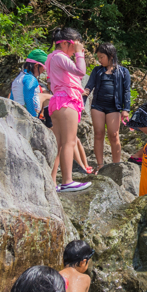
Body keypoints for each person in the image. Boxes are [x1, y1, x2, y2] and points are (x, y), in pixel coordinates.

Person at [47, 28, 90, 193]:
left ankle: (52, 182)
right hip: (67, 101)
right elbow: (81, 71)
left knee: (58, 145)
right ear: (65, 43)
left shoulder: (52, 57)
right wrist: (80, 54)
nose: (76, 49)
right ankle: (67, 181)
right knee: (69, 143)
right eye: (75, 45)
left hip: (57, 101)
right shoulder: (60, 56)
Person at [84, 43, 131, 168]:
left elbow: (127, 91)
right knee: (98, 133)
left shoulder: (123, 72)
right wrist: (84, 95)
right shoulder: (97, 70)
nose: (99, 60)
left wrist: (126, 109)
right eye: (98, 57)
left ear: (110, 56)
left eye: (101, 57)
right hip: (97, 106)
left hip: (114, 107)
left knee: (114, 135)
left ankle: (116, 166)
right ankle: (100, 165)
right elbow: (89, 86)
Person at [10, 49, 49, 117]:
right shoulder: (30, 79)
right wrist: (33, 115)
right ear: (36, 66)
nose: (44, 70)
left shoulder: (19, 77)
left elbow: (12, 97)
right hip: (26, 113)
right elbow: (28, 97)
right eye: (44, 67)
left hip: (16, 111)